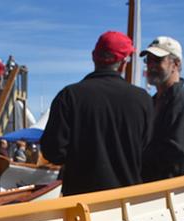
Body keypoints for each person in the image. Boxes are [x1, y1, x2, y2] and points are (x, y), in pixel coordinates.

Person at [40, 31, 152, 196]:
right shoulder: (143, 99)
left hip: (80, 203)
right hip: (127, 201)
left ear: (94, 57)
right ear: (123, 63)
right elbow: (148, 153)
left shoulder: (69, 96)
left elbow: (53, 152)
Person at [140, 36, 184, 182]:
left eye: (157, 60)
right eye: (148, 60)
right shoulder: (155, 101)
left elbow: (178, 151)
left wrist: (138, 157)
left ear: (176, 64)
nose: (151, 65)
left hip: (178, 192)